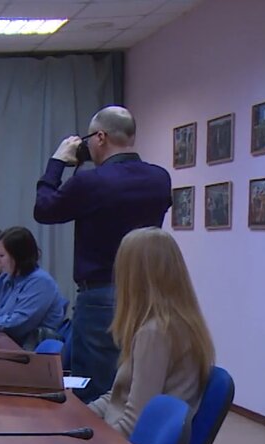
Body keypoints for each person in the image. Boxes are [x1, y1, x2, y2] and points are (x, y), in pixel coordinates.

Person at [35, 105, 172, 403]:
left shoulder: (90, 182)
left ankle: (95, 434)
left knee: (96, 387)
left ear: (100, 137)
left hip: (101, 296)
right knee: (137, 381)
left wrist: (57, 163)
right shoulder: (160, 178)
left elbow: (44, 209)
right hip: (149, 294)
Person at [89, 228, 215, 436]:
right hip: (118, 437)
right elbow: (119, 396)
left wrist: (89, 442)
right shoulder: (173, 324)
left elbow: (134, 425)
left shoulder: (155, 334)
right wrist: (78, 416)